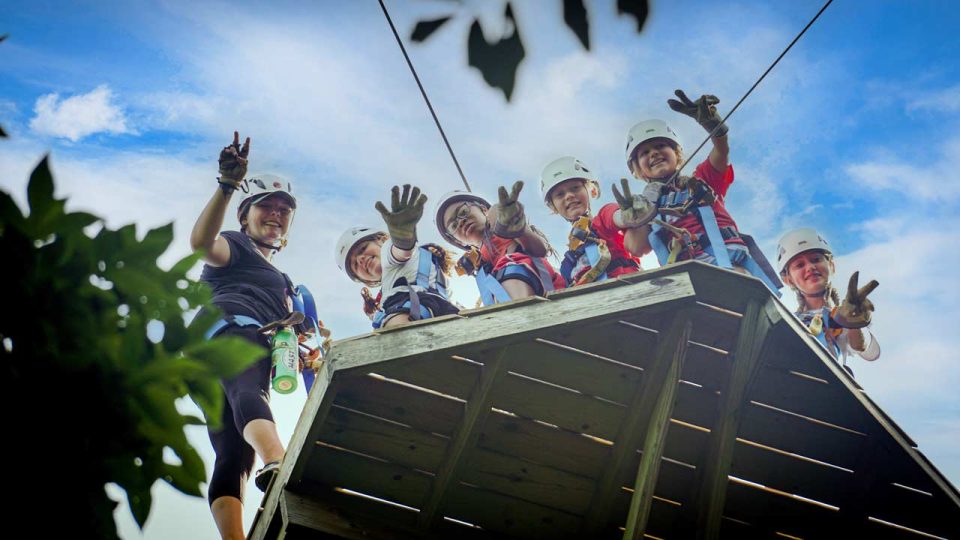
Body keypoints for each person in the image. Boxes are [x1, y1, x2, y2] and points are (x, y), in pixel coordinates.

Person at [189, 132, 301, 540]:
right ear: (244, 215)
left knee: (232, 453)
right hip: (232, 333)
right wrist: (227, 185)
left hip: (204, 356)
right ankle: (278, 462)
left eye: (283, 209)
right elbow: (202, 243)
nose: (275, 214)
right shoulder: (235, 246)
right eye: (265, 206)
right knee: (249, 390)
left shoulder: (282, 279)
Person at [625, 90, 781, 291]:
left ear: (677, 153)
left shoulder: (700, 180)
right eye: (644, 152)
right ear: (637, 167)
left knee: (736, 287)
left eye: (661, 145)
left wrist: (715, 129)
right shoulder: (644, 207)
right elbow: (636, 247)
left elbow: (721, 153)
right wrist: (641, 214)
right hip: (685, 280)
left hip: (728, 265)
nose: (654, 153)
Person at [335, 184, 459, 328]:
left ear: (382, 240)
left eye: (363, 248)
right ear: (365, 280)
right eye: (355, 265)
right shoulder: (391, 285)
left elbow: (400, 251)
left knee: (395, 334)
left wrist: (402, 236)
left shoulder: (388, 251)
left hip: (411, 312)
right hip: (440, 311)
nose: (360, 259)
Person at [434, 181, 564, 305]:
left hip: (540, 284)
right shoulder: (479, 263)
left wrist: (516, 229)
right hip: (509, 298)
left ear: (484, 209)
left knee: (507, 268)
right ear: (457, 240)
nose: (461, 221)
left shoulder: (496, 215)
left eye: (463, 212)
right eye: (453, 225)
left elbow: (539, 249)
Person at [777, 228, 880, 372]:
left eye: (816, 259)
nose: (810, 267)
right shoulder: (787, 321)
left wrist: (855, 322)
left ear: (831, 265)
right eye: (800, 265)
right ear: (788, 280)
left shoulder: (842, 316)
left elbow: (861, 346)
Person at [539, 156, 652, 286]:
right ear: (554, 206)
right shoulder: (569, 261)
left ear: (592, 190)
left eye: (575, 188)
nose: (569, 196)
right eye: (560, 195)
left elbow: (615, 217)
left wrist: (627, 216)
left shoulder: (602, 221)